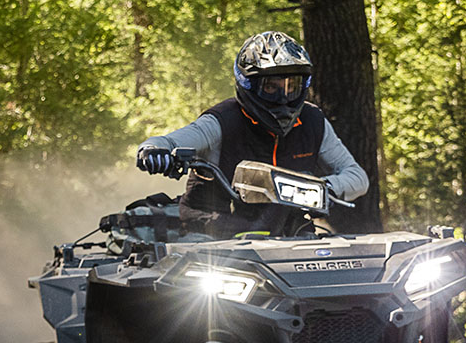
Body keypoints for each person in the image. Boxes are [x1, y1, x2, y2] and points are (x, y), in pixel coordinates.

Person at [135, 31, 368, 238]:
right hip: (212, 236)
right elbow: (165, 141)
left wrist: (319, 189)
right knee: (192, 282)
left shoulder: (313, 122)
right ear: (248, 85)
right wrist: (155, 151)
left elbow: (357, 177)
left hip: (286, 235)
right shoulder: (221, 122)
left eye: (291, 86)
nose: (283, 97)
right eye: (271, 87)